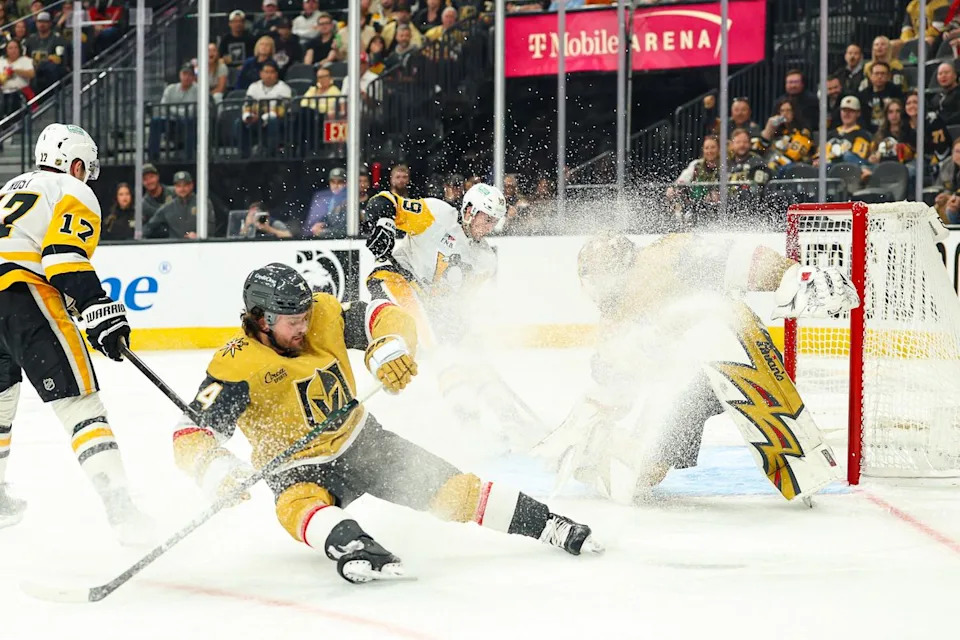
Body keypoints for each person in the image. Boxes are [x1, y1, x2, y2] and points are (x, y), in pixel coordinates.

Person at [171, 263, 601, 583]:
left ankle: (548, 524)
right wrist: (216, 469)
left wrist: (390, 346)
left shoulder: (321, 314)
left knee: (452, 493)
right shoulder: (236, 365)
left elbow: (385, 314)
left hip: (362, 441)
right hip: (295, 466)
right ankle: (354, 544)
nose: (303, 325)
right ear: (261, 319)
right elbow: (192, 432)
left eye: (304, 316)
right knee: (296, 507)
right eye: (291, 321)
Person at [534, 232, 858, 505]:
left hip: (728, 351)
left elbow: (736, 260)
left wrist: (793, 275)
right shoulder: (613, 325)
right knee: (643, 473)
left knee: (711, 344)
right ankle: (603, 457)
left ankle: (789, 445)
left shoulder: (663, 258)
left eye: (605, 275)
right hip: (682, 382)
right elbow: (617, 389)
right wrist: (587, 431)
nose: (601, 287)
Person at [0, 123, 151, 542]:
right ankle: (123, 513)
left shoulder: (10, 186)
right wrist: (97, 308)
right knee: (80, 406)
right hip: (26, 296)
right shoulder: (72, 188)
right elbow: (62, 256)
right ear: (76, 162)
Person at [237, 60, 292, 158]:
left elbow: (280, 110)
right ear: (261, 73)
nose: (269, 75)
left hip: (278, 120)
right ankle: (244, 155)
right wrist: (248, 116)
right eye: (266, 72)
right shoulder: (254, 87)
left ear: (276, 74)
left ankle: (272, 154)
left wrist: (262, 117)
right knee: (239, 122)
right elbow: (248, 105)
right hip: (256, 119)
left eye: (271, 72)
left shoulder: (284, 88)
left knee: (272, 120)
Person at [142, 171, 216, 239]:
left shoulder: (202, 202)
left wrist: (198, 235)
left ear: (191, 185)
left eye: (185, 185)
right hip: (175, 248)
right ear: (175, 187)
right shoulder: (168, 207)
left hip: (199, 246)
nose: (182, 189)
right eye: (178, 186)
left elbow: (211, 225)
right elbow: (149, 227)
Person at [148, 63, 199, 160]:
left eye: (190, 75)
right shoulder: (170, 89)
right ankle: (153, 156)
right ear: (180, 75)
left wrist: (172, 110)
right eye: (184, 74)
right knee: (155, 122)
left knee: (189, 121)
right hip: (170, 120)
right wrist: (180, 111)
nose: (187, 77)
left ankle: (189, 156)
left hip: (188, 121)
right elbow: (163, 107)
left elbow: (191, 111)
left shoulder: (198, 90)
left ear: (193, 77)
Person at [23, 10, 69, 93]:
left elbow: (60, 59)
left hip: (51, 74)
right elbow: (25, 56)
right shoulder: (30, 40)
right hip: (34, 73)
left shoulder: (58, 39)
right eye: (39, 22)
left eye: (45, 22)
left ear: (50, 23)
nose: (42, 24)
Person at [303, 167, 347, 237]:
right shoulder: (322, 197)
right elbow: (327, 219)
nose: (336, 185)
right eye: (333, 182)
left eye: (340, 182)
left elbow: (345, 229)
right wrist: (321, 224)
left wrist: (323, 232)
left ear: (346, 183)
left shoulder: (350, 200)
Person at [0, 39, 33, 117]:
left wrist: (15, 71)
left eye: (16, 48)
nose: (13, 50)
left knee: (13, 98)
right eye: (10, 48)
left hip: (20, 92)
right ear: (6, 50)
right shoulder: (1, 61)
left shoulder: (25, 60)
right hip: (3, 92)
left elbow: (31, 74)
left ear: (19, 49)